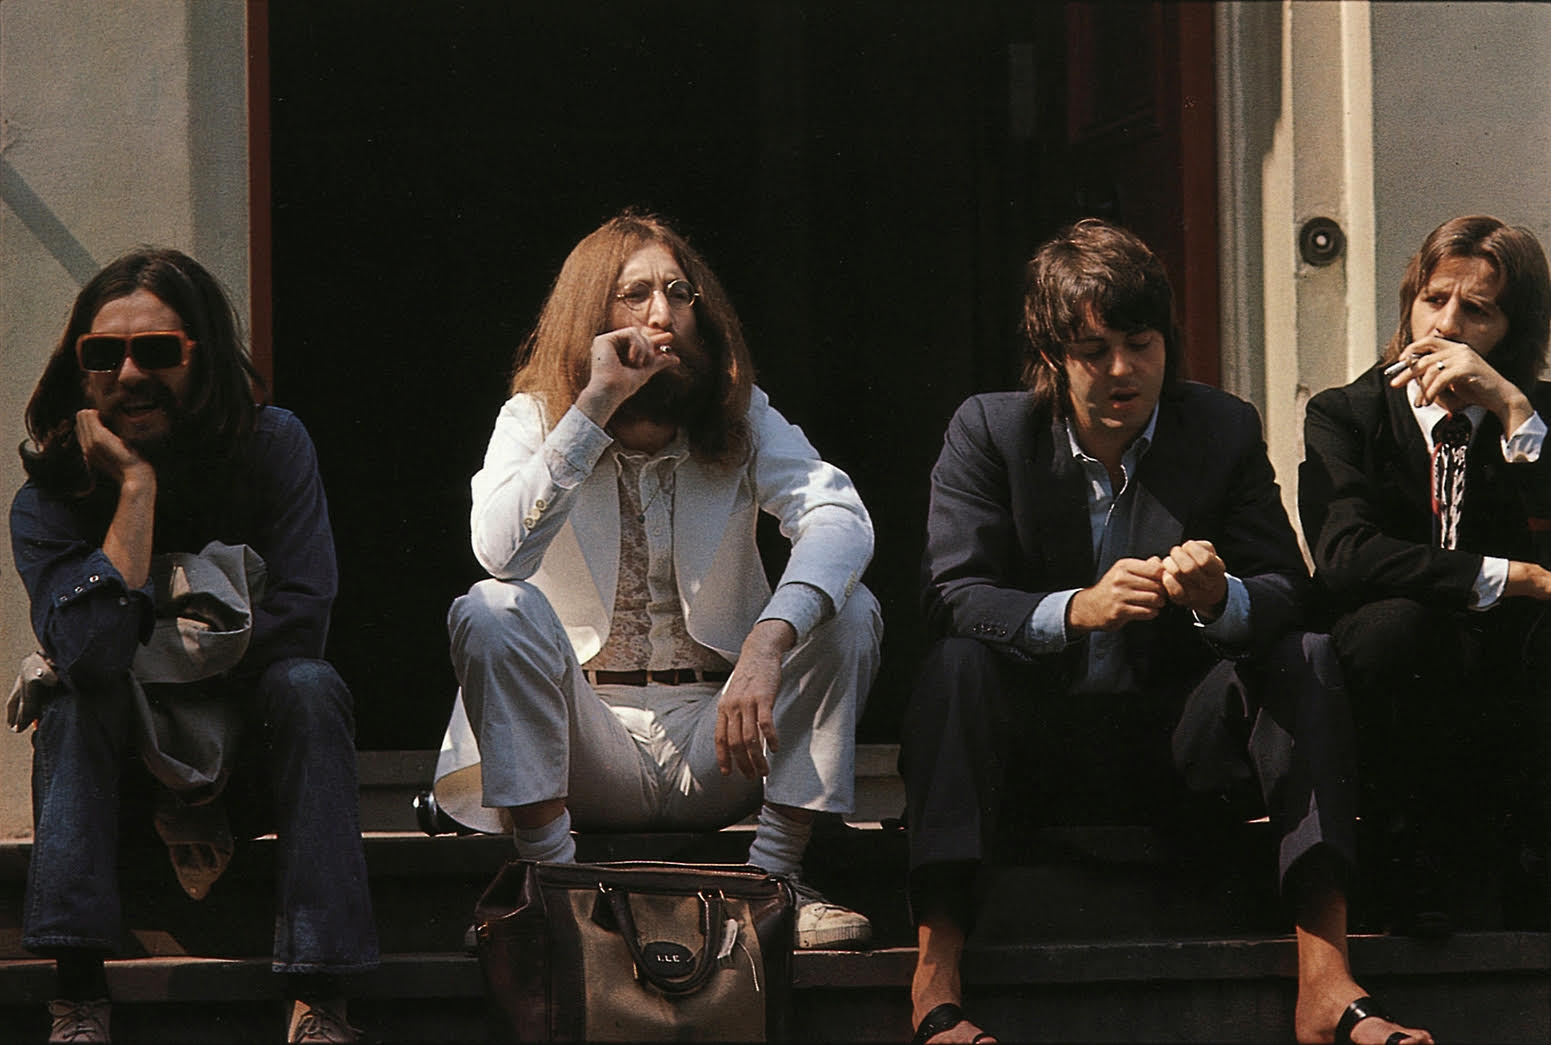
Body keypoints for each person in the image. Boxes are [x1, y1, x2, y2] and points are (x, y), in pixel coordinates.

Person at [900, 219, 1432, 1045]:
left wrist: (1222, 599)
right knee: (955, 666)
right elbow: (949, 595)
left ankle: (1326, 980)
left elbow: (1286, 588)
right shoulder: (990, 430)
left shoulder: (1218, 426)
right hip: (1034, 748)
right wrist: (1072, 609)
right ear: (1049, 355)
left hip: (1175, 748)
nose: (1122, 370)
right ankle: (935, 981)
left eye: (1140, 344)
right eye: (1093, 351)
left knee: (1306, 655)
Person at [433, 210, 882, 949]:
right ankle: (554, 888)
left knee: (847, 607)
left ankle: (777, 878)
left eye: (678, 292)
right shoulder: (535, 417)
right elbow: (499, 552)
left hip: (723, 738)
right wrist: (593, 408)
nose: (662, 314)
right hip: (584, 747)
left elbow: (839, 515)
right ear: (591, 316)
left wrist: (768, 642)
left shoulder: (743, 415)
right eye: (634, 294)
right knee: (492, 607)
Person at [10, 248, 378, 1043]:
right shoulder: (49, 498)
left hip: (249, 764)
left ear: (201, 355)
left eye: (157, 350)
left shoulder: (272, 445)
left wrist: (140, 653)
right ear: (79, 369)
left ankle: (320, 998)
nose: (129, 373)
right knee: (71, 705)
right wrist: (135, 490)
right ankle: (79, 996)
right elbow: (89, 655)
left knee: (310, 684)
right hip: (123, 783)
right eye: (103, 354)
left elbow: (302, 619)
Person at [1300, 214, 1551, 937]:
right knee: (1401, 629)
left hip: (1508, 651)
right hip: (1393, 645)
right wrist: (1509, 576)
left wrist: (1512, 410)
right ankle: (1404, 875)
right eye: (1434, 299)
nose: (1446, 325)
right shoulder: (1346, 413)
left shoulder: (1534, 419)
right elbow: (1347, 553)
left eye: (1478, 311)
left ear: (1513, 329)